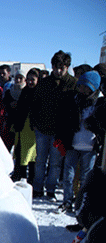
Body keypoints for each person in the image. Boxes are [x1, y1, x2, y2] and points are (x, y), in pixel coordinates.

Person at [30, 50, 77, 200]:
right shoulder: (44, 83)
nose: (57, 71)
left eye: (61, 68)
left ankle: (51, 189)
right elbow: (34, 104)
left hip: (60, 132)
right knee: (40, 161)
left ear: (67, 67)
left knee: (56, 163)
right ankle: (37, 189)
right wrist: (34, 123)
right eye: (55, 67)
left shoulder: (73, 84)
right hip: (42, 129)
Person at [55, 71, 102, 213]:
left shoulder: (99, 103)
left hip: (90, 145)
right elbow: (65, 118)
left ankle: (80, 203)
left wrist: (92, 127)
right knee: (68, 176)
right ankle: (67, 201)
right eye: (80, 85)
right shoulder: (74, 99)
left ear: (91, 87)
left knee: (85, 178)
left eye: (83, 86)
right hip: (73, 143)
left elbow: (101, 124)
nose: (80, 88)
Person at [9, 68, 40, 183]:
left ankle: (31, 179)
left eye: (33, 79)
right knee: (20, 153)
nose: (30, 82)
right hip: (22, 127)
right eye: (28, 79)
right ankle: (20, 176)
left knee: (32, 156)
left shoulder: (39, 92)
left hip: (33, 129)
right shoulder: (24, 91)